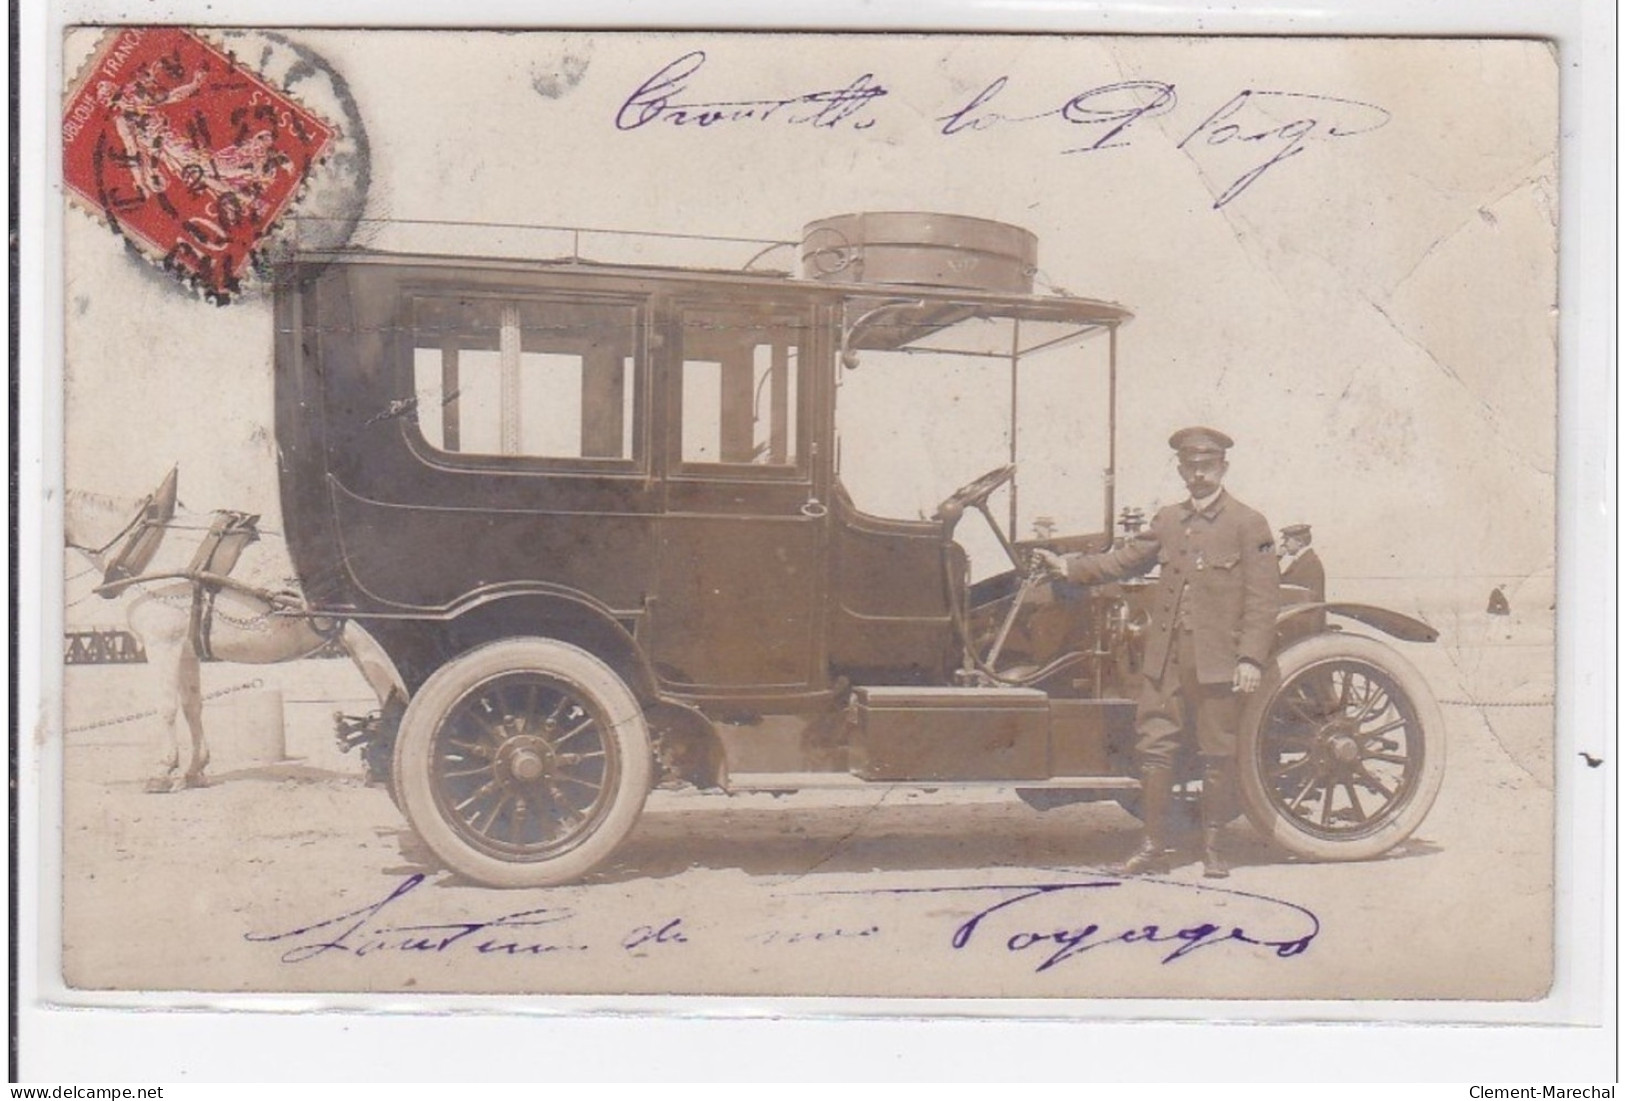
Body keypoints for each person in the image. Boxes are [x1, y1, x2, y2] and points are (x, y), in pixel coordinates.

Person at [1034, 427, 1281, 878]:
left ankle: (1214, 849)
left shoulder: (1250, 523)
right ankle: (1152, 847)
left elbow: (1264, 598)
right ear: (1181, 469)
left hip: (1217, 661)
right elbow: (1123, 561)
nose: (1198, 475)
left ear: (1223, 468)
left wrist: (1250, 658)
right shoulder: (1168, 520)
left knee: (1217, 751)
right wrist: (1069, 567)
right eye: (1190, 466)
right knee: (1154, 746)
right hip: (1164, 658)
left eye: (1207, 466)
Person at [1278, 523, 1326, 634]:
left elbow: (1312, 599)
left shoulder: (1310, 563)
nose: (1284, 545)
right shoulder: (1304, 560)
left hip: (1306, 625)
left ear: (1299, 542)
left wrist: (1277, 557)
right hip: (1302, 622)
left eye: (1286, 540)